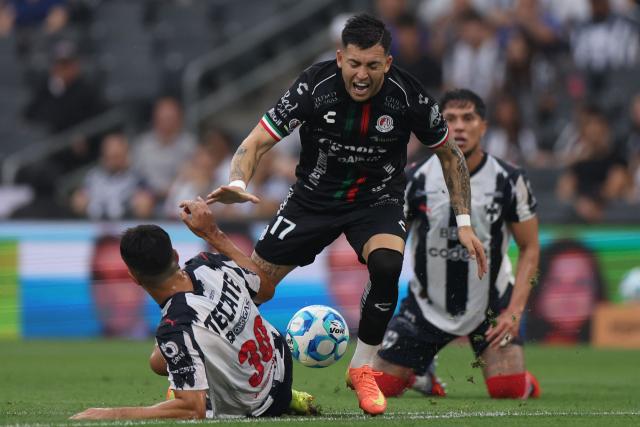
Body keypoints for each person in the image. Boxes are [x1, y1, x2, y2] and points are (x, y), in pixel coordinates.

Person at [206, 14, 487, 415]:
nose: (361, 75)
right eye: (354, 64)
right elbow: (255, 142)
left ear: (387, 64)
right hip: (312, 200)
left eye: (372, 66)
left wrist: (464, 223)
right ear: (340, 58)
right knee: (254, 286)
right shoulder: (313, 86)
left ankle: (362, 369)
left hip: (377, 199)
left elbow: (449, 154)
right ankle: (206, 362)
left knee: (388, 265)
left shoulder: (406, 95)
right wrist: (237, 184)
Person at [70, 198, 318, 420]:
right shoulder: (207, 263)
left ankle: (277, 400)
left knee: (176, 385)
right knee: (160, 361)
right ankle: (286, 396)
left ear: (134, 277)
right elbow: (266, 290)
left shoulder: (175, 328)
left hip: (262, 404)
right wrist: (213, 234)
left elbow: (192, 409)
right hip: (280, 362)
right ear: (175, 255)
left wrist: (111, 414)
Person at [372, 89, 541, 400]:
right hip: (426, 306)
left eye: (469, 118)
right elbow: (393, 238)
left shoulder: (509, 179)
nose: (460, 127)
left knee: (508, 391)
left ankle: (525, 381)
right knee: (377, 386)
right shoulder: (415, 179)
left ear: (484, 126)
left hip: (491, 305)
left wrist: (514, 311)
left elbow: (530, 248)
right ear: (439, 125)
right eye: (450, 119)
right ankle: (422, 375)